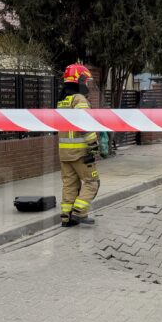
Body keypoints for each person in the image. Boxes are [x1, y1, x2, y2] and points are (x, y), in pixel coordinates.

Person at [57, 63, 101, 226]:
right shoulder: (79, 99)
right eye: (86, 80)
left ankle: (66, 217)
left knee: (70, 184)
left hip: (64, 153)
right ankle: (79, 212)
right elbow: (85, 125)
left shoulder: (62, 100)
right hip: (81, 152)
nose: (87, 84)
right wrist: (94, 146)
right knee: (92, 182)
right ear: (79, 80)